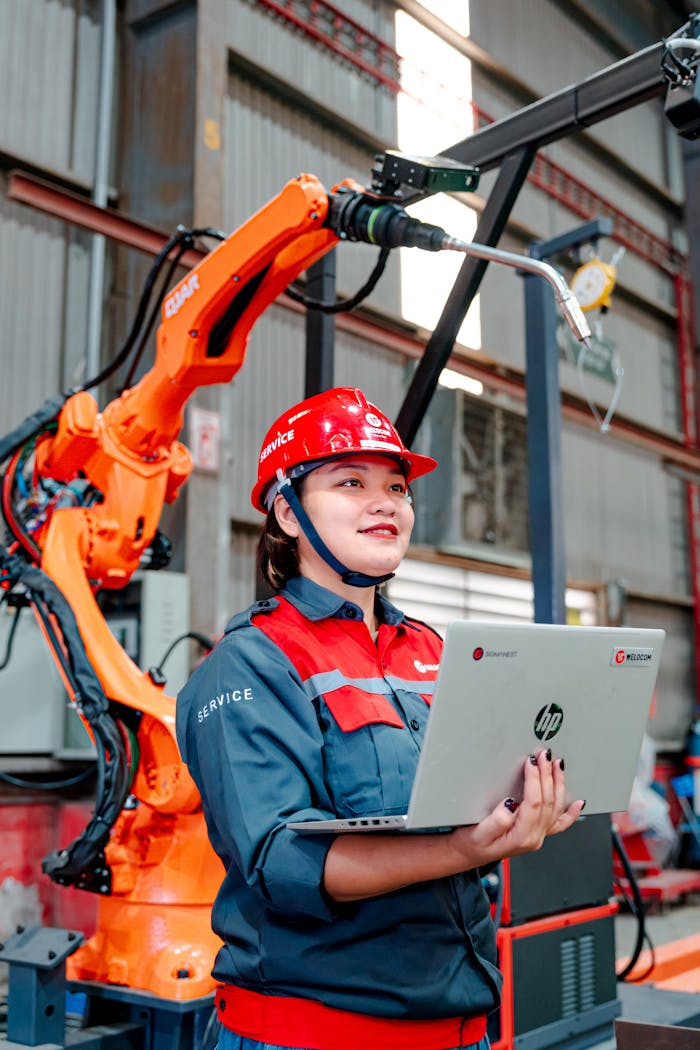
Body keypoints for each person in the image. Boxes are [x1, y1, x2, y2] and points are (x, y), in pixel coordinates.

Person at [176, 387, 585, 1050]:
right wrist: (461, 849)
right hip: (310, 1034)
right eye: (350, 482)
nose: (384, 503)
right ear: (285, 512)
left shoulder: (438, 653)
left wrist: (524, 806)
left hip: (456, 1028)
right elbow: (281, 862)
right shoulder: (249, 664)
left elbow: (466, 798)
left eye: (397, 488)